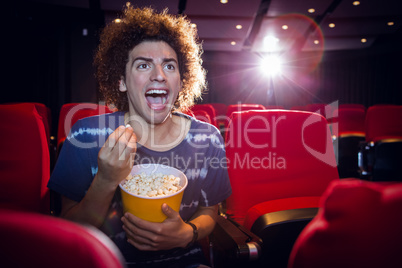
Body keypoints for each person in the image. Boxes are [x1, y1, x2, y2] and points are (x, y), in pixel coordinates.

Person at [48, 4, 232, 268]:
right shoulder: (84, 134)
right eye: (143, 65)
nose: (159, 75)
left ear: (181, 81)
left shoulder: (209, 138)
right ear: (121, 81)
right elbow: (69, 230)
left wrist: (186, 234)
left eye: (169, 66)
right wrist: (106, 179)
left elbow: (209, 212)